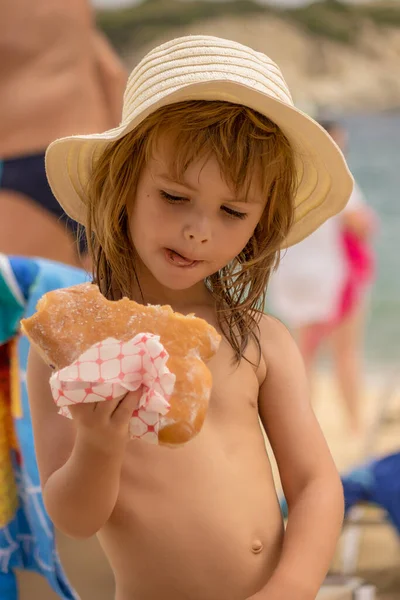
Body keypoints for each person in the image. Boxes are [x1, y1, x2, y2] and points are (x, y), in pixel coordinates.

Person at [27, 36, 351, 600]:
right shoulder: (72, 344)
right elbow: (74, 519)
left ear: (260, 225)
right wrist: (99, 446)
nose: (199, 229)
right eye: (174, 196)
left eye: (232, 211)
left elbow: (316, 484)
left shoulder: (257, 339)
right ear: (122, 186)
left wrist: (292, 587)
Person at [268, 120, 376, 436]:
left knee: (304, 355)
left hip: (295, 278)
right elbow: (361, 225)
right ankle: (355, 425)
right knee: (346, 353)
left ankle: (302, 425)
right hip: (333, 279)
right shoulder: (340, 182)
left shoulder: (289, 181)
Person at [0, 0, 127, 267]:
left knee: (28, 303)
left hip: (19, 161)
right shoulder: (75, 6)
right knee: (106, 302)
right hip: (94, 157)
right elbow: (113, 74)